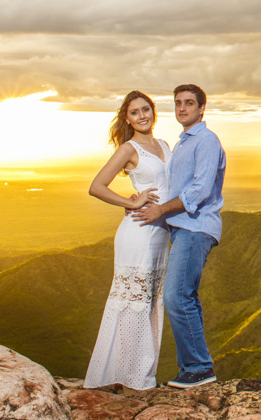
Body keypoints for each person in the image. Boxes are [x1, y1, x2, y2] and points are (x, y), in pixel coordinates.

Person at [130, 83, 226, 389]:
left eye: (189, 103)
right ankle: (195, 368)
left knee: (176, 296)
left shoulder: (206, 140)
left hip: (196, 227)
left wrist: (160, 210)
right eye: (178, 103)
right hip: (182, 227)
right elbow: (170, 185)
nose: (182, 108)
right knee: (186, 296)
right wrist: (139, 199)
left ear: (202, 108)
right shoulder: (183, 143)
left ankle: (198, 368)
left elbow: (200, 190)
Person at [84, 90, 171, 390]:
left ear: (153, 111)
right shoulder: (128, 148)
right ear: (128, 119)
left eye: (146, 109)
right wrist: (130, 202)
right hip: (138, 233)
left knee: (150, 303)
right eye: (135, 112)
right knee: (133, 303)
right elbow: (97, 186)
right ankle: (126, 377)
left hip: (161, 234)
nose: (142, 115)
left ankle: (140, 374)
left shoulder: (164, 145)